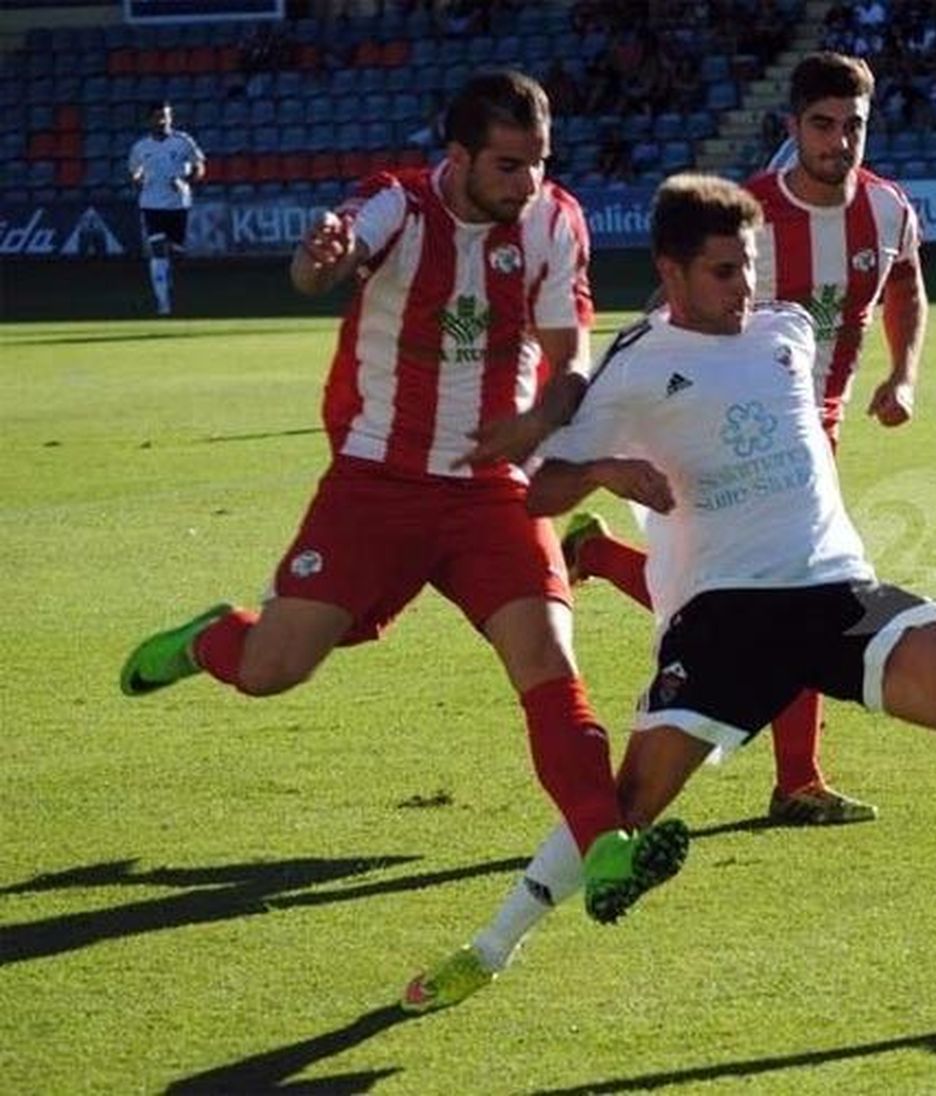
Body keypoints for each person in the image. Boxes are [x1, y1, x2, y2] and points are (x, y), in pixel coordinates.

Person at [400, 173, 936, 1013]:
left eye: (747, 266)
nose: (744, 286)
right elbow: (538, 487)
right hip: (725, 616)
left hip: (836, 592)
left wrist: (899, 371)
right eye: (721, 271)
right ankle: (486, 951)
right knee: (628, 806)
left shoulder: (786, 330)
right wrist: (604, 469)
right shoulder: (636, 367)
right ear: (671, 275)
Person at [117, 72, 688, 975]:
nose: (529, 182)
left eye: (539, 162)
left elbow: (569, 345)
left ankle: (605, 843)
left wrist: (542, 420)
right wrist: (321, 255)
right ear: (456, 159)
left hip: (491, 490)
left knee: (547, 661)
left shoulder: (553, 219)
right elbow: (321, 268)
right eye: (509, 165)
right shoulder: (396, 205)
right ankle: (210, 640)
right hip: (374, 484)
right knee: (273, 670)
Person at [532, 52, 929, 828]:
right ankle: (797, 781)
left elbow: (908, 282)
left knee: (762, 587)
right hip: (714, 425)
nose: (838, 142)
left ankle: (603, 558)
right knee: (766, 592)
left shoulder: (886, 211)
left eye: (853, 126)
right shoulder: (744, 215)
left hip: (815, 429)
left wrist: (904, 373)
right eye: (822, 125)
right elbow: (672, 306)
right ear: (794, 127)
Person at [127, 101, 204, 316]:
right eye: (158, 117)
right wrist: (137, 179)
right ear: (150, 120)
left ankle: (171, 287)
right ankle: (163, 303)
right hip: (152, 205)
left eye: (166, 116)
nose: (163, 121)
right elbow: (134, 172)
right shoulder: (140, 147)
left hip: (179, 204)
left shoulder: (183, 141)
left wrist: (185, 179)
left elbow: (200, 167)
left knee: (176, 254)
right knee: (158, 251)